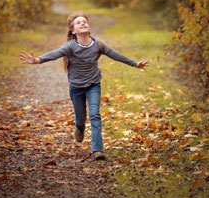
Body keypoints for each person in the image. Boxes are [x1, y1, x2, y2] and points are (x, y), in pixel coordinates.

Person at [19, 12, 150, 161]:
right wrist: (37, 60)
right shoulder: (70, 46)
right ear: (73, 31)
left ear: (89, 27)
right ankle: (79, 127)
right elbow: (55, 54)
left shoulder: (98, 45)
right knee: (81, 118)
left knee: (95, 114)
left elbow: (116, 55)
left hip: (93, 84)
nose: (82, 23)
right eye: (78, 23)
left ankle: (97, 150)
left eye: (84, 22)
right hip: (76, 88)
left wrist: (134, 63)